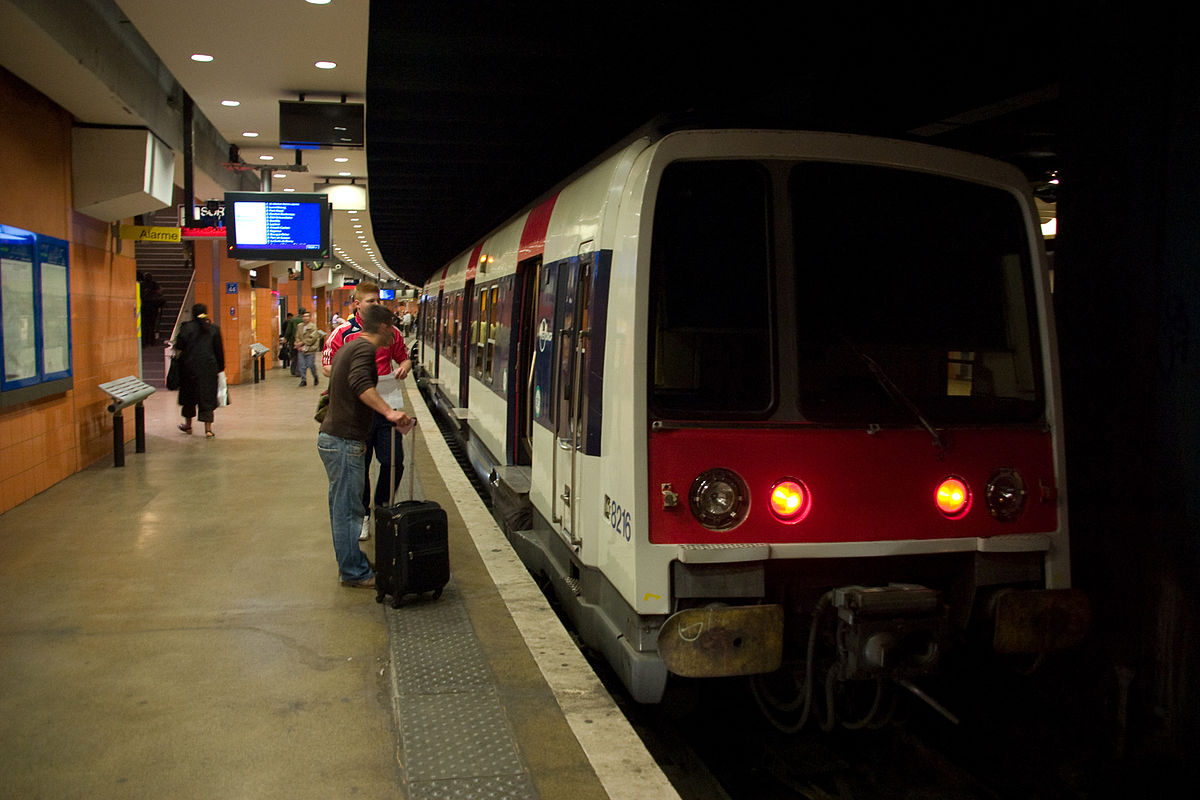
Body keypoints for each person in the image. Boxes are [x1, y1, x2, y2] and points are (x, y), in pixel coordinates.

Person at [318, 303, 415, 588]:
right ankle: (354, 572)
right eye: (393, 327)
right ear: (384, 327)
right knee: (348, 511)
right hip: (344, 441)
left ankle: (353, 564)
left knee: (343, 508)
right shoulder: (363, 350)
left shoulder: (351, 347)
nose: (395, 333)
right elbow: (360, 383)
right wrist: (390, 412)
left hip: (337, 439)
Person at [173, 303, 225, 439]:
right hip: (208, 369)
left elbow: (179, 346)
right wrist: (220, 367)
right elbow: (219, 350)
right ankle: (208, 429)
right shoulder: (213, 329)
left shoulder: (186, 327)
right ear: (206, 313)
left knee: (189, 397)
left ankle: (188, 425)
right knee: (207, 398)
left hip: (188, 369)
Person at [293, 310, 321, 387]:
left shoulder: (313, 326)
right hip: (301, 349)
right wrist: (297, 344)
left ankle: (315, 377)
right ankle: (303, 380)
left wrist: (302, 343)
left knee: (311, 364)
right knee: (302, 365)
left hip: (310, 349)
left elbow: (312, 338)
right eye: (304, 316)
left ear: (310, 317)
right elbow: (297, 336)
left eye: (307, 316)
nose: (305, 318)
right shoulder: (299, 326)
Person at [284, 309, 305, 376]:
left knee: (294, 356)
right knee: (301, 356)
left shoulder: (292, 320)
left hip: (293, 340)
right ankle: (298, 371)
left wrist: (286, 338)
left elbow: (288, 331)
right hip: (302, 341)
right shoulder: (305, 321)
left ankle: (293, 370)